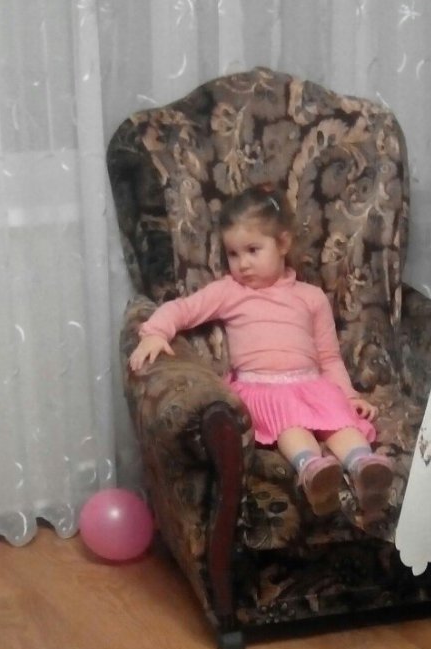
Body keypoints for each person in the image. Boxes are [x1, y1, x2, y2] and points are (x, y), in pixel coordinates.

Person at [128, 184, 394, 517]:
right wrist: (155, 332)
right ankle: (313, 470)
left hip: (312, 386)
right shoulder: (229, 291)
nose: (242, 264)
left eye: (253, 250)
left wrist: (349, 395)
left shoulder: (311, 297)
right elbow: (183, 309)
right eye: (233, 254)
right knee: (290, 428)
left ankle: (364, 467)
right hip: (262, 390)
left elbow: (328, 358)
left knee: (342, 424)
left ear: (282, 243)